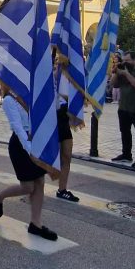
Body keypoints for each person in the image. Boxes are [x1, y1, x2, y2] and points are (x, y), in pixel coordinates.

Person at [0, 87, 59, 241]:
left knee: (40, 182)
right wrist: (29, 148)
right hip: (21, 146)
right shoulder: (9, 100)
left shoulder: (29, 93)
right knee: (28, 186)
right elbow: (17, 127)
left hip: (36, 141)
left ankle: (36, 224)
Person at [111, 51, 135, 167]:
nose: (125, 62)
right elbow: (114, 85)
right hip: (124, 106)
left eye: (128, 60)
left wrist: (126, 74)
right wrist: (116, 73)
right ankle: (126, 154)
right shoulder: (124, 70)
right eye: (124, 60)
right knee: (125, 131)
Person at [54, 73, 79, 202]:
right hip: (52, 117)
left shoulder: (68, 78)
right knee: (51, 157)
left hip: (64, 117)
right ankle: (34, 186)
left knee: (67, 156)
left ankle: (62, 190)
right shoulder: (49, 76)